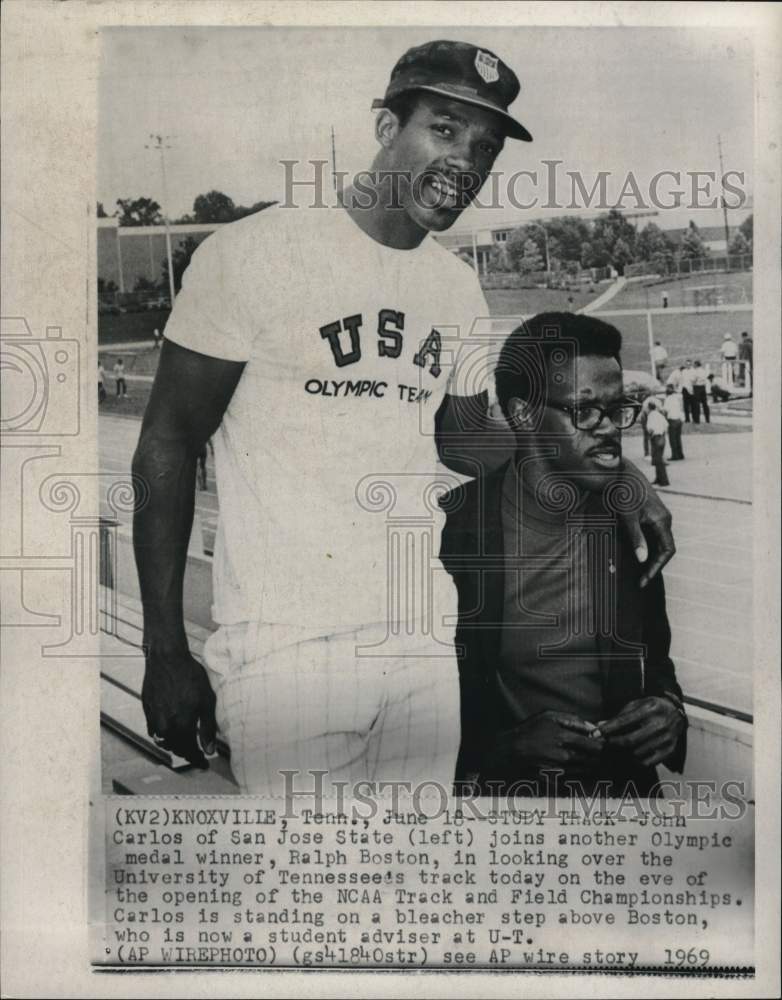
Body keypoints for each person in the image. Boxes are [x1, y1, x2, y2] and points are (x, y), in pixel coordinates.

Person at [132, 39, 676, 790]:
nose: (465, 162)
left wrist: (621, 473)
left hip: (423, 643)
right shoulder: (254, 254)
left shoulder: (455, 289)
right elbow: (166, 441)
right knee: (323, 895)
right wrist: (163, 650)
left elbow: (470, 444)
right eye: (443, 129)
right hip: (290, 647)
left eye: (483, 148)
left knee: (408, 887)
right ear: (386, 126)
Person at [440, 313, 687, 797]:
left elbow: (656, 660)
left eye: (618, 409)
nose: (610, 428)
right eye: (586, 410)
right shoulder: (455, 531)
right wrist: (501, 751)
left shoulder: (627, 521)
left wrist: (669, 710)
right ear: (523, 414)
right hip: (507, 818)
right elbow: (422, 705)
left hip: (628, 807)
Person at [646, 399, 669, 486]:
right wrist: (662, 432)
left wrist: (650, 434)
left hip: (655, 438)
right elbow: (666, 425)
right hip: (662, 437)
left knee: (658, 460)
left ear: (649, 408)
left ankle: (664, 481)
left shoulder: (650, 416)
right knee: (658, 458)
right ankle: (658, 478)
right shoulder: (659, 415)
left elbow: (650, 428)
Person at [662, 384, 685, 459]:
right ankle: (680, 454)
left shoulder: (668, 399)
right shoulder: (677, 398)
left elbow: (665, 410)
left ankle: (675, 455)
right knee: (678, 438)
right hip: (679, 419)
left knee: (672, 439)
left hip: (672, 420)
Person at [690, 359, 710, 424]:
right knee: (705, 404)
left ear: (696, 365)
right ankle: (707, 419)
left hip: (697, 387)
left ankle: (697, 419)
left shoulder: (696, 372)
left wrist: (692, 382)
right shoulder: (703, 371)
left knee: (696, 404)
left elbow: (693, 380)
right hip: (703, 387)